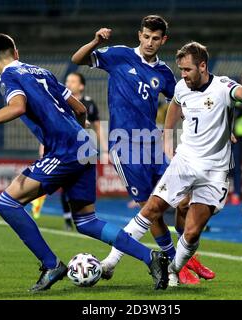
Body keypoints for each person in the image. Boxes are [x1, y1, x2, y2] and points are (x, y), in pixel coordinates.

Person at [0, 33, 170, 291]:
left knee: (7, 203)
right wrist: (77, 137)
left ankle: (51, 265)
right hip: (83, 146)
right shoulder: (41, 71)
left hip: (65, 150)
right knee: (86, 221)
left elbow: (17, 107)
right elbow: (80, 109)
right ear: (17, 52)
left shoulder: (7, 77)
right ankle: (152, 257)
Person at [71, 15, 214, 285]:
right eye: (146, 36)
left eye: (155, 38)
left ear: (163, 40)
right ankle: (174, 263)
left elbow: (183, 102)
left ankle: (178, 257)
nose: (150, 42)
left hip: (153, 145)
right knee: (152, 208)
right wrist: (95, 41)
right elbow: (77, 59)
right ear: (140, 35)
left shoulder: (164, 74)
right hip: (125, 146)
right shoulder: (120, 55)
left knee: (183, 198)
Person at [125, 41, 242, 287]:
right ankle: (110, 262)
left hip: (215, 170)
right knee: (156, 208)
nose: (183, 74)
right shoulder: (182, 87)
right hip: (185, 161)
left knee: (193, 231)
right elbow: (175, 104)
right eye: (181, 70)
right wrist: (167, 136)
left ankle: (175, 267)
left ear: (203, 66)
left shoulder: (222, 86)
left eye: (187, 69)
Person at [31, 72, 108, 230]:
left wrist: (105, 149)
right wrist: (43, 147)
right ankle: (67, 219)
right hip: (63, 149)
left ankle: (84, 216)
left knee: (81, 186)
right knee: (64, 184)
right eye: (67, 81)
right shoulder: (59, 101)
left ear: (81, 86)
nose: (69, 83)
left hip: (84, 151)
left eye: (73, 81)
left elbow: (98, 127)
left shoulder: (88, 104)